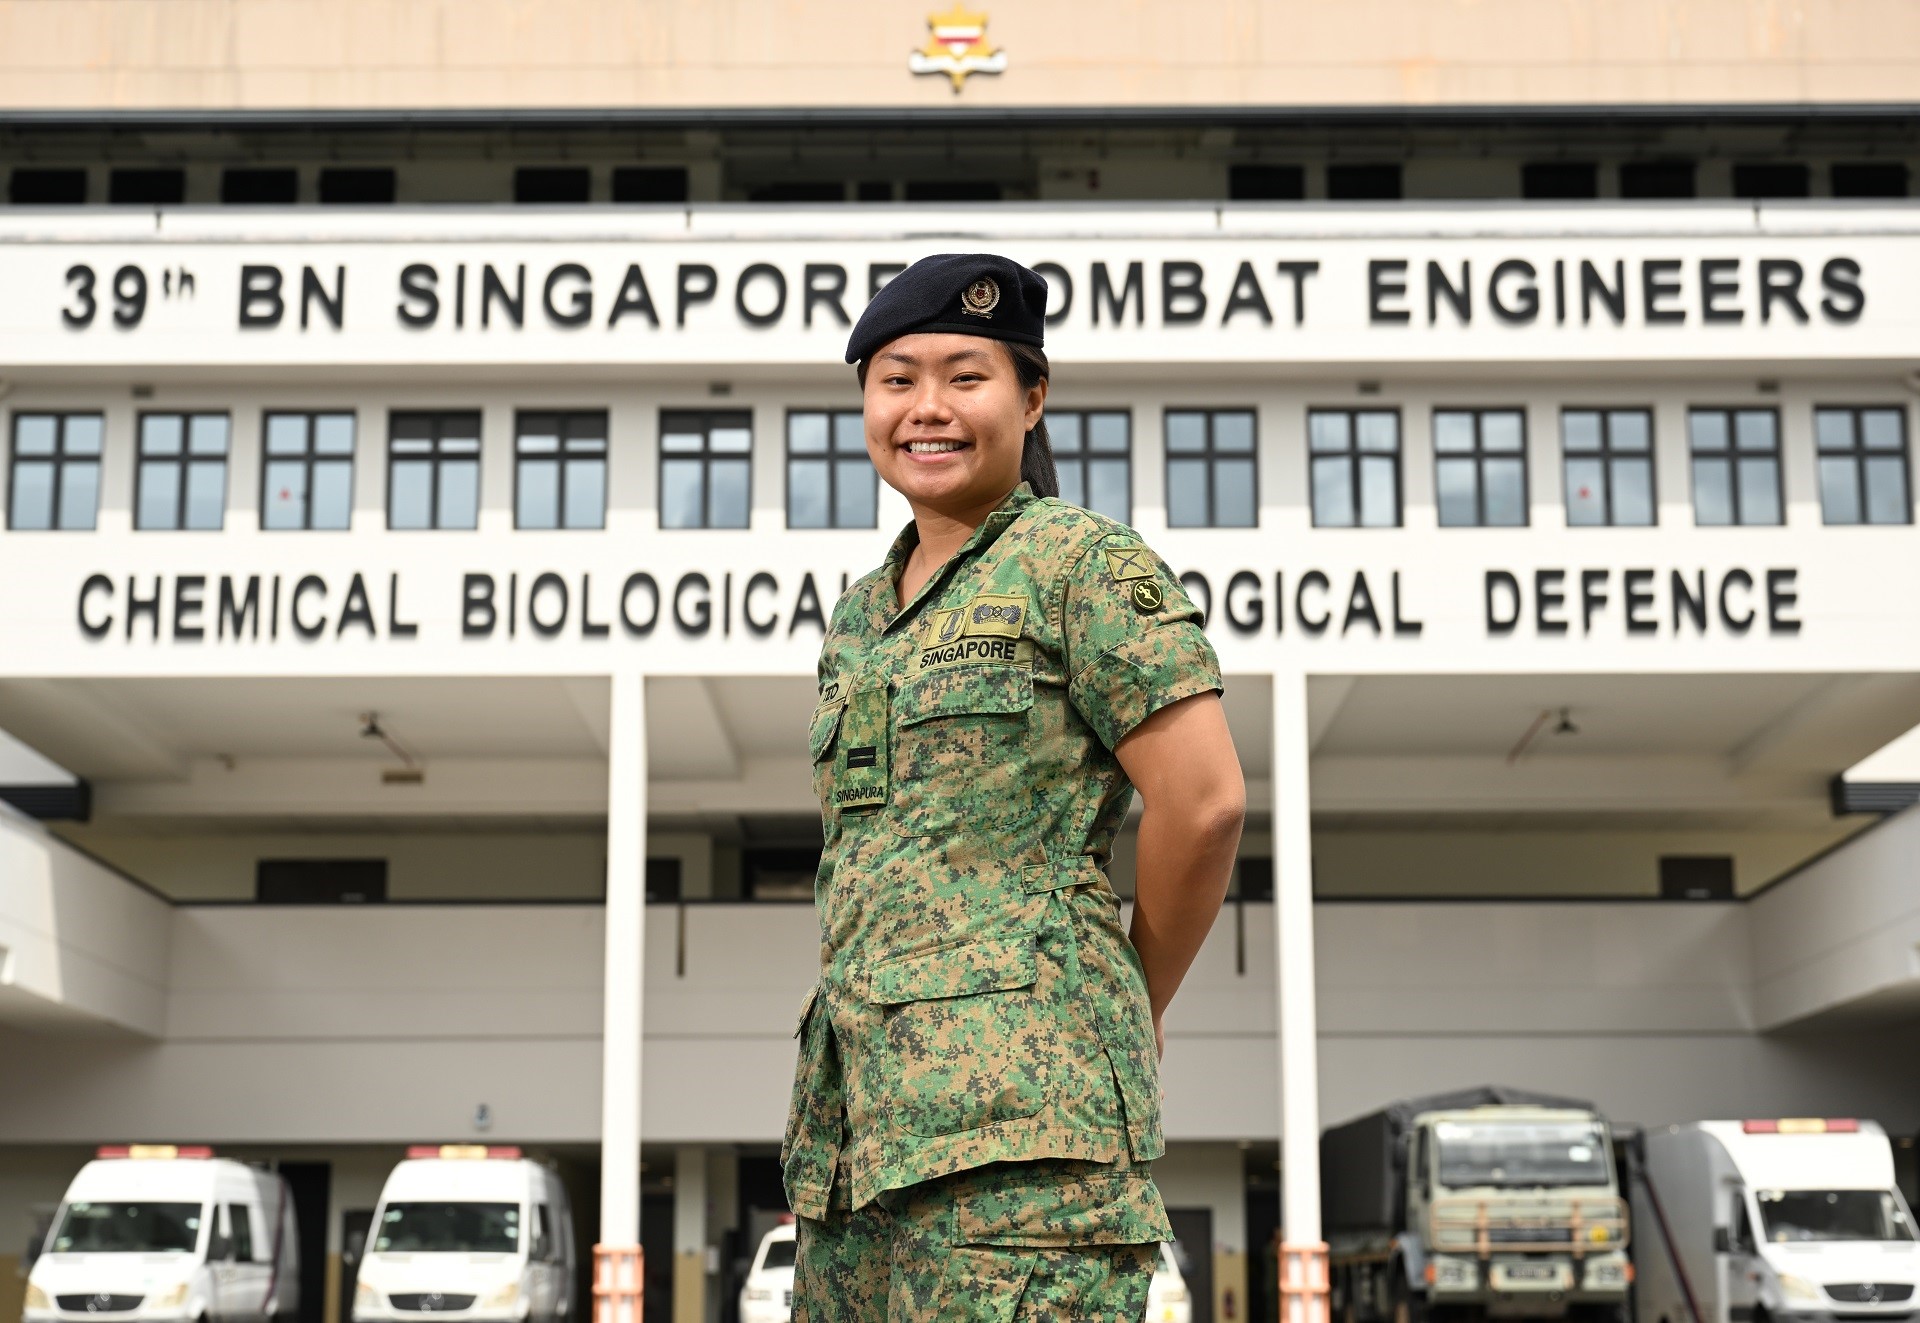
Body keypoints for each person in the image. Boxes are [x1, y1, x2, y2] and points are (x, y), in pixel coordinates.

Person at [783, 252, 1246, 1321]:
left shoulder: (1081, 564)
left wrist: (1135, 995)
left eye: (966, 377)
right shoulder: (860, 617)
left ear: (1032, 398)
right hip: (857, 1145)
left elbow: (1205, 800)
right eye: (897, 380)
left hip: (1025, 1135)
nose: (927, 408)